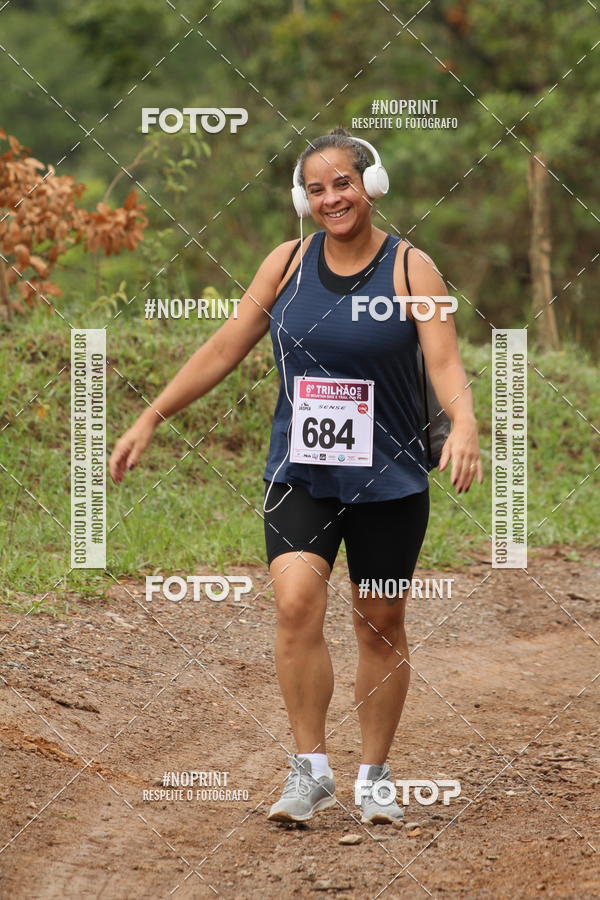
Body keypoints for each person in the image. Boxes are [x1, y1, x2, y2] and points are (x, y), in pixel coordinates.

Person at [109, 127, 483, 827]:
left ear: (370, 186)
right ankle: (309, 771)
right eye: (316, 189)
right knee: (294, 607)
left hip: (389, 477)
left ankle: (374, 776)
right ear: (301, 199)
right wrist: (150, 416)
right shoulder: (284, 264)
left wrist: (464, 424)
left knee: (379, 621)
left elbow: (444, 361)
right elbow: (224, 345)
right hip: (301, 472)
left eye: (343, 183)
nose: (331, 198)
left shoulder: (411, 269)